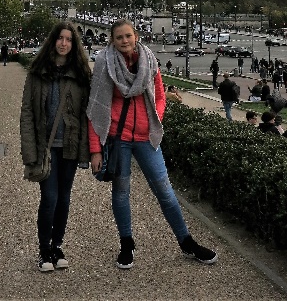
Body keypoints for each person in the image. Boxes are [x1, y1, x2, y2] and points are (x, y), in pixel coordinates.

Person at [87, 19, 217, 269]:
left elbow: (158, 96)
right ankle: (126, 243)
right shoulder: (105, 64)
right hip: (119, 137)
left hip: (147, 137)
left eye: (128, 36)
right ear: (112, 40)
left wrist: (154, 118)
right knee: (121, 193)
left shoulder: (149, 60)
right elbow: (96, 109)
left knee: (166, 192)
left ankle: (186, 241)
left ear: (135, 36)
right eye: (119, 37)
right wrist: (95, 149)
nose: (124, 41)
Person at [20, 21, 90, 272]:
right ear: (53, 41)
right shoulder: (38, 72)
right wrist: (30, 153)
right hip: (45, 146)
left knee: (64, 199)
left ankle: (57, 245)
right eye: (60, 38)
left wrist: (89, 150)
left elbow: (87, 113)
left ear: (74, 44)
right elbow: (27, 113)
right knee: (49, 198)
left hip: (70, 145)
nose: (64, 43)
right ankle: (44, 249)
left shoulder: (81, 74)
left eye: (69, 39)